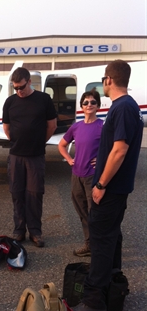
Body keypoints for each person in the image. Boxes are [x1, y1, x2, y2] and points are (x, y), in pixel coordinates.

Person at [72, 60, 144, 311]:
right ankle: (112, 285)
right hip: (117, 189)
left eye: (103, 79)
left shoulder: (123, 107)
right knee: (111, 237)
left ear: (109, 81)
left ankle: (94, 303)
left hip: (111, 189)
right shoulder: (127, 107)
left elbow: (120, 149)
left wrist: (101, 184)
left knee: (101, 239)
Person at [2, 67, 57, 247]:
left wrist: (39, 142)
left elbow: (52, 126)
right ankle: (19, 231)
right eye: (15, 88)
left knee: (34, 195)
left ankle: (35, 232)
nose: (19, 91)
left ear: (29, 81)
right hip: (16, 156)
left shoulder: (43, 99)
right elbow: (6, 127)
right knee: (17, 193)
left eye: (22, 87)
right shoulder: (10, 102)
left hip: (35, 156)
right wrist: (18, 141)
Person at [58, 90, 103, 257]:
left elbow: (115, 149)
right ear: (81, 107)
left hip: (92, 177)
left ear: (98, 106)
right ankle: (89, 244)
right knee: (82, 212)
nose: (89, 105)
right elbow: (61, 145)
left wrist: (102, 160)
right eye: (86, 103)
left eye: (92, 102)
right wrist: (69, 159)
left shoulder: (102, 126)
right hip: (76, 175)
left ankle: (99, 248)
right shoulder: (76, 127)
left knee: (94, 213)